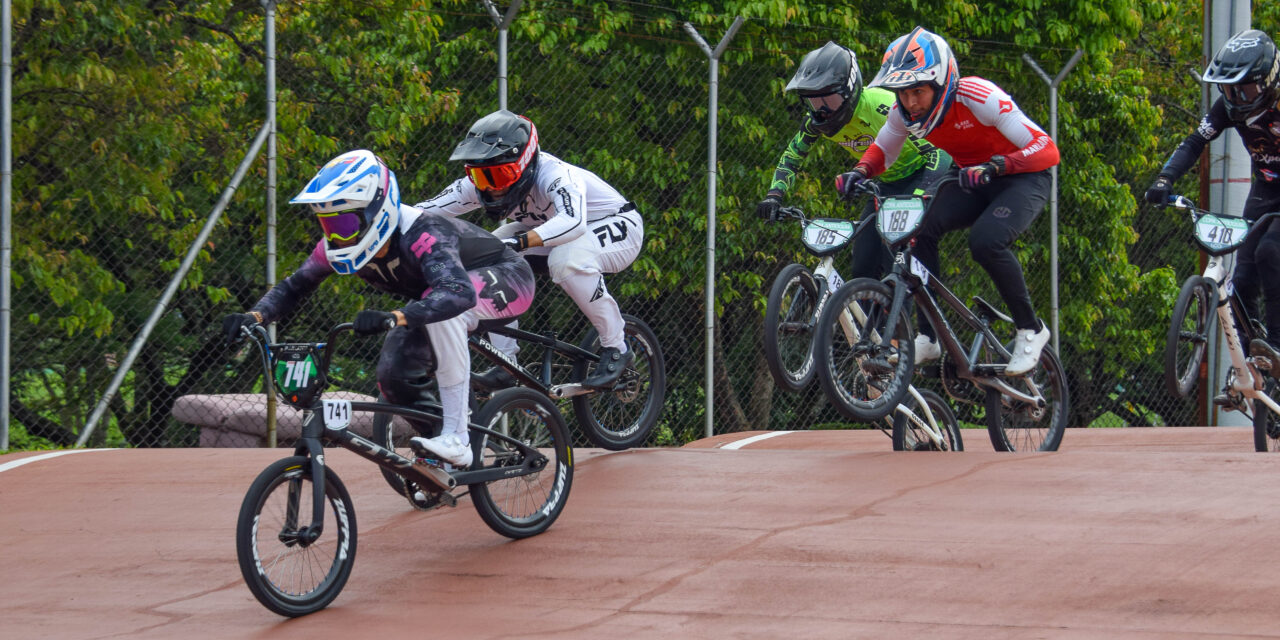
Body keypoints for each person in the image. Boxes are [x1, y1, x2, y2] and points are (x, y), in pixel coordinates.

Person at [222, 149, 535, 467]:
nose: (337, 238)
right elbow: (294, 286)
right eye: (329, 226)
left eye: (344, 223)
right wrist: (254, 316)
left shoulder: (423, 232)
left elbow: (457, 293)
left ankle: (458, 437)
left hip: (505, 277)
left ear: (377, 210)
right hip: (438, 293)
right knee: (392, 376)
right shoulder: (335, 248)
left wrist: (396, 316)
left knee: (445, 315)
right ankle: (442, 449)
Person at [837, 26, 1060, 376]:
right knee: (918, 230)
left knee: (985, 241)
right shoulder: (904, 113)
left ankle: (1030, 329)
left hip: (1023, 177)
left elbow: (1046, 149)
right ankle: (929, 336)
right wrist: (860, 172)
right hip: (973, 178)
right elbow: (882, 149)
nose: (910, 102)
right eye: (902, 93)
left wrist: (1000, 164)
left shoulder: (976, 95)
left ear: (942, 83)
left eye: (919, 91)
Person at [416, 109, 644, 390]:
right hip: (554, 234)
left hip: (617, 225)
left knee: (567, 260)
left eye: (499, 175)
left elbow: (573, 222)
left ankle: (617, 347)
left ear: (523, 163)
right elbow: (421, 213)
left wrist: (522, 241)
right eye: (481, 177)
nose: (491, 188)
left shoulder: (556, 175)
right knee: (484, 264)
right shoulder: (476, 186)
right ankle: (506, 364)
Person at [758, 41, 951, 286]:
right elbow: (792, 156)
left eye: (829, 100)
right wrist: (774, 194)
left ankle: (914, 322)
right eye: (814, 103)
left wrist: (922, 194)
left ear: (850, 90)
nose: (823, 111)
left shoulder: (881, 105)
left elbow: (939, 153)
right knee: (862, 265)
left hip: (923, 175)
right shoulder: (814, 122)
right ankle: (874, 324)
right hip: (886, 184)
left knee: (896, 258)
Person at [1144, 29, 1280, 378]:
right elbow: (1194, 142)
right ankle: (1254, 362)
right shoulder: (1230, 107)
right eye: (1228, 90)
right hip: (1266, 189)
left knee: (1270, 252)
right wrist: (1164, 178)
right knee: (1241, 280)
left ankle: (1278, 347)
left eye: (1244, 89)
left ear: (1269, 80)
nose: (1236, 98)